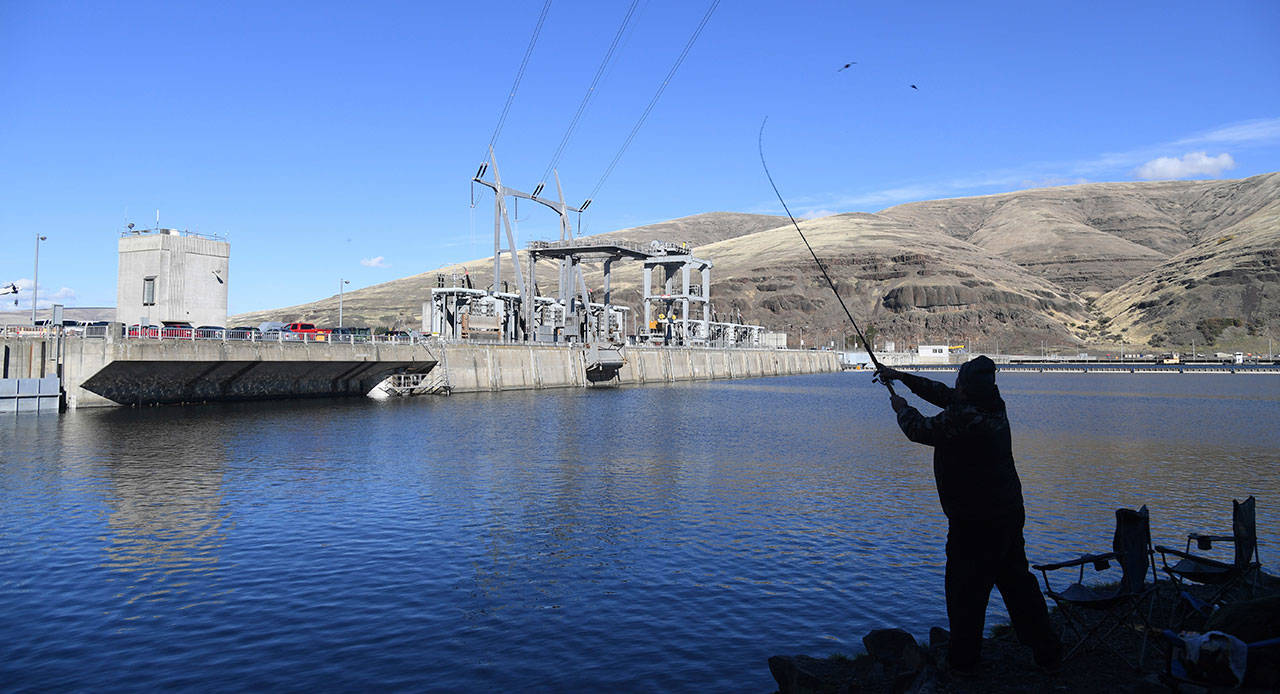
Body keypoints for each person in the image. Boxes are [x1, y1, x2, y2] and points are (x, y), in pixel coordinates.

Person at [877, 356, 1061, 672]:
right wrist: (902, 376)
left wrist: (901, 408)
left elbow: (920, 429)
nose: (956, 386)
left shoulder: (965, 418)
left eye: (959, 381)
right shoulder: (991, 404)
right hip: (1007, 513)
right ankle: (1047, 649)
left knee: (965, 591)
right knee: (1017, 583)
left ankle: (963, 661)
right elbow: (944, 395)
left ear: (965, 384)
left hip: (975, 522)